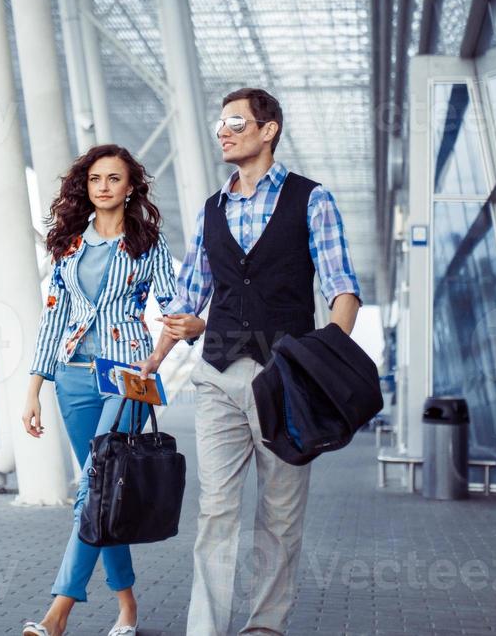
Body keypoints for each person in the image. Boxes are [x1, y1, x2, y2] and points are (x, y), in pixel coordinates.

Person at [141, 88, 361, 636]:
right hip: (215, 374)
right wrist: (152, 361)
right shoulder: (210, 210)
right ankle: (206, 630)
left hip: (284, 381)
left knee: (280, 516)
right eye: (220, 123)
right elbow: (189, 295)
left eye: (236, 121)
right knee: (216, 509)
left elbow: (342, 289)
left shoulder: (312, 200)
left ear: (269, 130)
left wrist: (324, 362)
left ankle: (265, 627)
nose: (224, 131)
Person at [21, 144, 179, 636]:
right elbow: (53, 317)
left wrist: (155, 361)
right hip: (72, 375)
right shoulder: (68, 246)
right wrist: (34, 389)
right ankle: (127, 607)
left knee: (94, 487)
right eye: (95, 179)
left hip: (126, 375)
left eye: (114, 178)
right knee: (106, 494)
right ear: (85, 187)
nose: (104, 187)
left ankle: (58, 614)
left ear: (130, 187)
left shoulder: (148, 244)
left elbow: (175, 310)